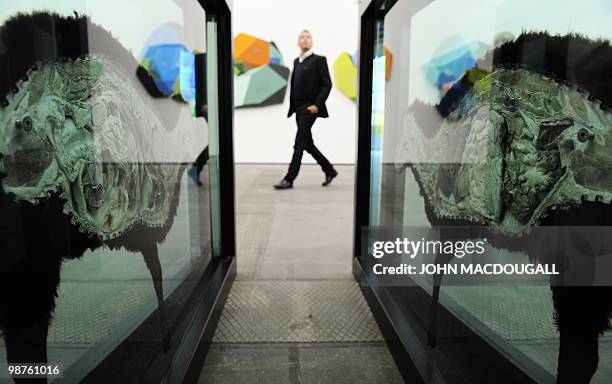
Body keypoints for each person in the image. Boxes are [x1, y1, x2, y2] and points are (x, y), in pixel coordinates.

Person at [274, 30, 338, 190]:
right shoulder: (297, 61)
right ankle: (329, 170)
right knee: (307, 144)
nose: (305, 40)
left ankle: (289, 179)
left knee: (299, 143)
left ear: (312, 41)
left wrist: (317, 104)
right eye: (302, 37)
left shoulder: (319, 60)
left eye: (308, 37)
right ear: (298, 42)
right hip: (298, 109)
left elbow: (327, 84)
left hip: (310, 109)